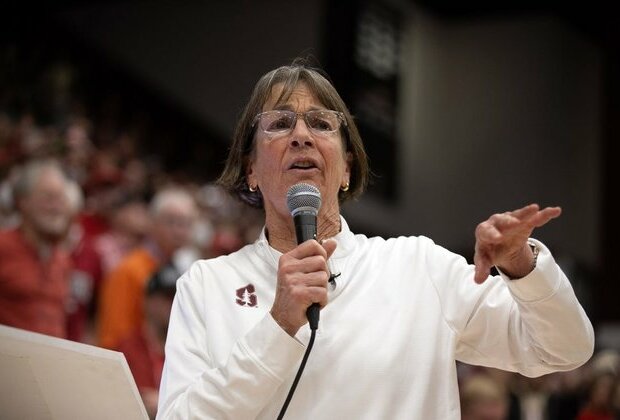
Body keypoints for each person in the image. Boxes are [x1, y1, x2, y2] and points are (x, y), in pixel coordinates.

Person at [156, 59, 595, 419]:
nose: (302, 135)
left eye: (322, 123)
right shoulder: (206, 285)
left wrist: (521, 265)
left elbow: (564, 349)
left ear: (346, 169)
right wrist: (278, 325)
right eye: (280, 123)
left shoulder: (418, 267)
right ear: (250, 169)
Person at [96, 186, 198, 350]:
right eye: (172, 222)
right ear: (153, 223)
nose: (179, 231)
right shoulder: (129, 270)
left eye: (186, 224)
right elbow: (113, 337)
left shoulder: (188, 271)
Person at [0, 158, 74, 338]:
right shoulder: (3, 247)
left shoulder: (63, 260)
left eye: (61, 199)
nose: (57, 207)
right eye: (49, 197)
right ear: (22, 202)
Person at [116, 263, 181, 420]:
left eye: (176, 297)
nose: (172, 304)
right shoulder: (126, 348)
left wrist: (162, 403)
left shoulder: (185, 349)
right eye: (166, 297)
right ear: (148, 301)